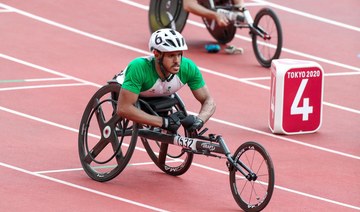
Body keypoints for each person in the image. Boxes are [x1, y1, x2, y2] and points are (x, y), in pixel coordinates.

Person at [116, 28, 216, 133]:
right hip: (134, 93)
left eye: (179, 54)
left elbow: (209, 101)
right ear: (156, 54)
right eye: (171, 55)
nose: (177, 61)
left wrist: (200, 120)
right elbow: (124, 108)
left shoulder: (188, 67)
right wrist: (163, 122)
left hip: (162, 95)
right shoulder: (139, 67)